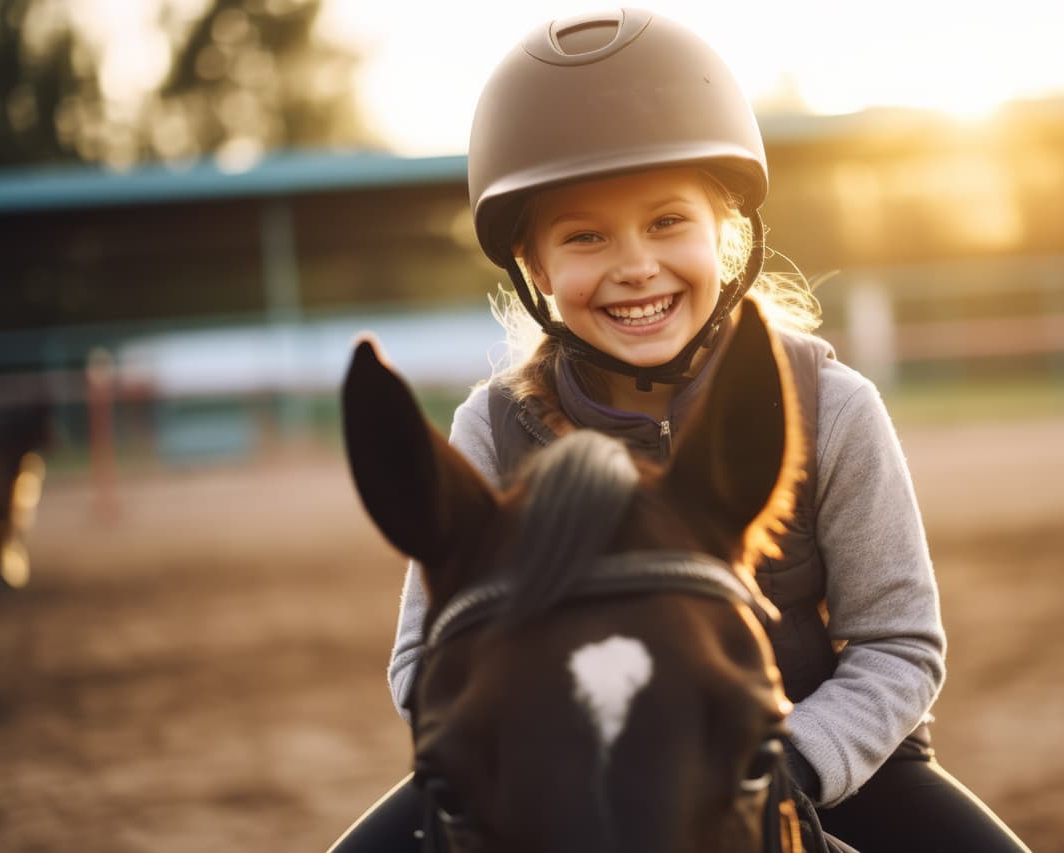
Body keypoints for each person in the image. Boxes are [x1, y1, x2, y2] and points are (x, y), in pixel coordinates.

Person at [331, 9, 1028, 852]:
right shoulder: (489, 429)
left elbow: (899, 642)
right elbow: (420, 661)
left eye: (667, 222)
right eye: (585, 236)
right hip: (548, 782)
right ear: (538, 270)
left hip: (816, 761)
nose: (635, 264)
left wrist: (791, 765)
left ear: (724, 238)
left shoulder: (835, 408)